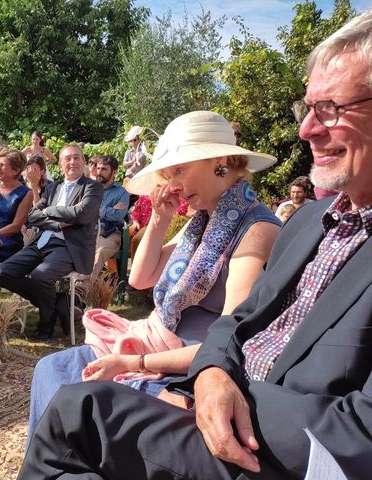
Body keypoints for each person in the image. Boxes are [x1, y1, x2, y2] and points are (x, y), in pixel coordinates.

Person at [21, 11, 372, 479]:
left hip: (258, 432)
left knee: (75, 410)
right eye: (305, 109)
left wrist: (179, 378)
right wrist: (208, 376)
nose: (307, 129)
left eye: (330, 108)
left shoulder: (258, 228)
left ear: (222, 162)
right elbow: (153, 287)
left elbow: (352, 430)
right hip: (205, 378)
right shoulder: (307, 222)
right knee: (60, 386)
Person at [25, 110, 280, 443]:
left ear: (223, 161)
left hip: (188, 367)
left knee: (74, 398)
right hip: (156, 342)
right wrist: (160, 219)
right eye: (168, 173)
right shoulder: (205, 217)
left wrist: (134, 362)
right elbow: (141, 279)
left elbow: (229, 340)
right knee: (50, 370)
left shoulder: (256, 229)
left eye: (180, 170)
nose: (171, 185)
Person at [0, 144, 103, 339]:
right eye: (67, 159)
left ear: (83, 161)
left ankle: (46, 324)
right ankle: (59, 301)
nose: (72, 162)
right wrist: (58, 224)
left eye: (76, 158)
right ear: (60, 165)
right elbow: (33, 216)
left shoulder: (92, 186)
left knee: (40, 275)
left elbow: (83, 213)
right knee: (1, 273)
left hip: (70, 246)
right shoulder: (53, 187)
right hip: (41, 241)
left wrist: (50, 211)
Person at [75, 155, 129, 311]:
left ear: (114, 172)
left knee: (97, 253)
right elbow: (81, 211)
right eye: (98, 168)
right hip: (86, 230)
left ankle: (78, 295)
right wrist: (108, 210)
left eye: (104, 169)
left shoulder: (121, 192)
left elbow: (119, 216)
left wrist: (97, 210)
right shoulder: (88, 188)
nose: (99, 172)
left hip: (108, 233)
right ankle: (65, 295)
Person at [0, 149, 33, 261]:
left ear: (15, 170)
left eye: (2, 165)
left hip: (8, 245)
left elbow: (16, 226)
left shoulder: (26, 193)